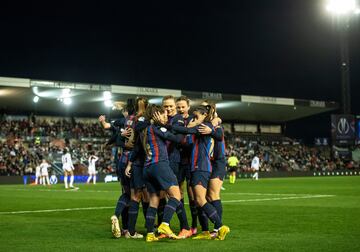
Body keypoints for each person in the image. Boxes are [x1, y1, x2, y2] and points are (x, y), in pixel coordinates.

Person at [170, 105, 230, 240]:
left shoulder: (203, 126)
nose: (194, 118)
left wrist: (168, 127)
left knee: (202, 199)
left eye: (196, 116)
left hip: (201, 166)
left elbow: (181, 129)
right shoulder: (204, 127)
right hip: (200, 166)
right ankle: (209, 230)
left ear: (204, 115)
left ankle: (219, 226)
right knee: (201, 199)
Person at [132, 104, 183, 242]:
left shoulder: (144, 130)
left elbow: (136, 149)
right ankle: (165, 224)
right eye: (163, 114)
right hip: (159, 164)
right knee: (176, 195)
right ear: (156, 115)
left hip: (147, 168)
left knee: (154, 201)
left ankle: (150, 234)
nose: (166, 116)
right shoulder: (156, 128)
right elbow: (176, 139)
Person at [176, 95, 198, 236]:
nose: (181, 109)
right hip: (177, 162)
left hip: (190, 161)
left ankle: (194, 225)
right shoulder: (174, 120)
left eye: (183, 106)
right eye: (178, 107)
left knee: (192, 195)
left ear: (188, 107)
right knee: (178, 193)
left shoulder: (193, 119)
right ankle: (183, 226)